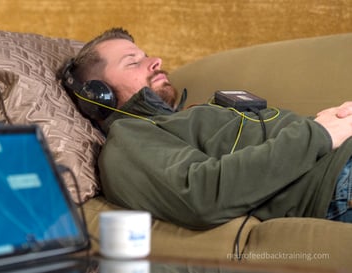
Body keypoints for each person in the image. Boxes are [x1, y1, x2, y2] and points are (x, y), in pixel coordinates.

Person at [61, 27, 352, 230]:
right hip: (337, 182)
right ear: (99, 94)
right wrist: (319, 135)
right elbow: (201, 194)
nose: (155, 61)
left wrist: (327, 122)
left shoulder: (182, 118)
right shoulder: (128, 142)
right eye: (133, 62)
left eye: (146, 54)